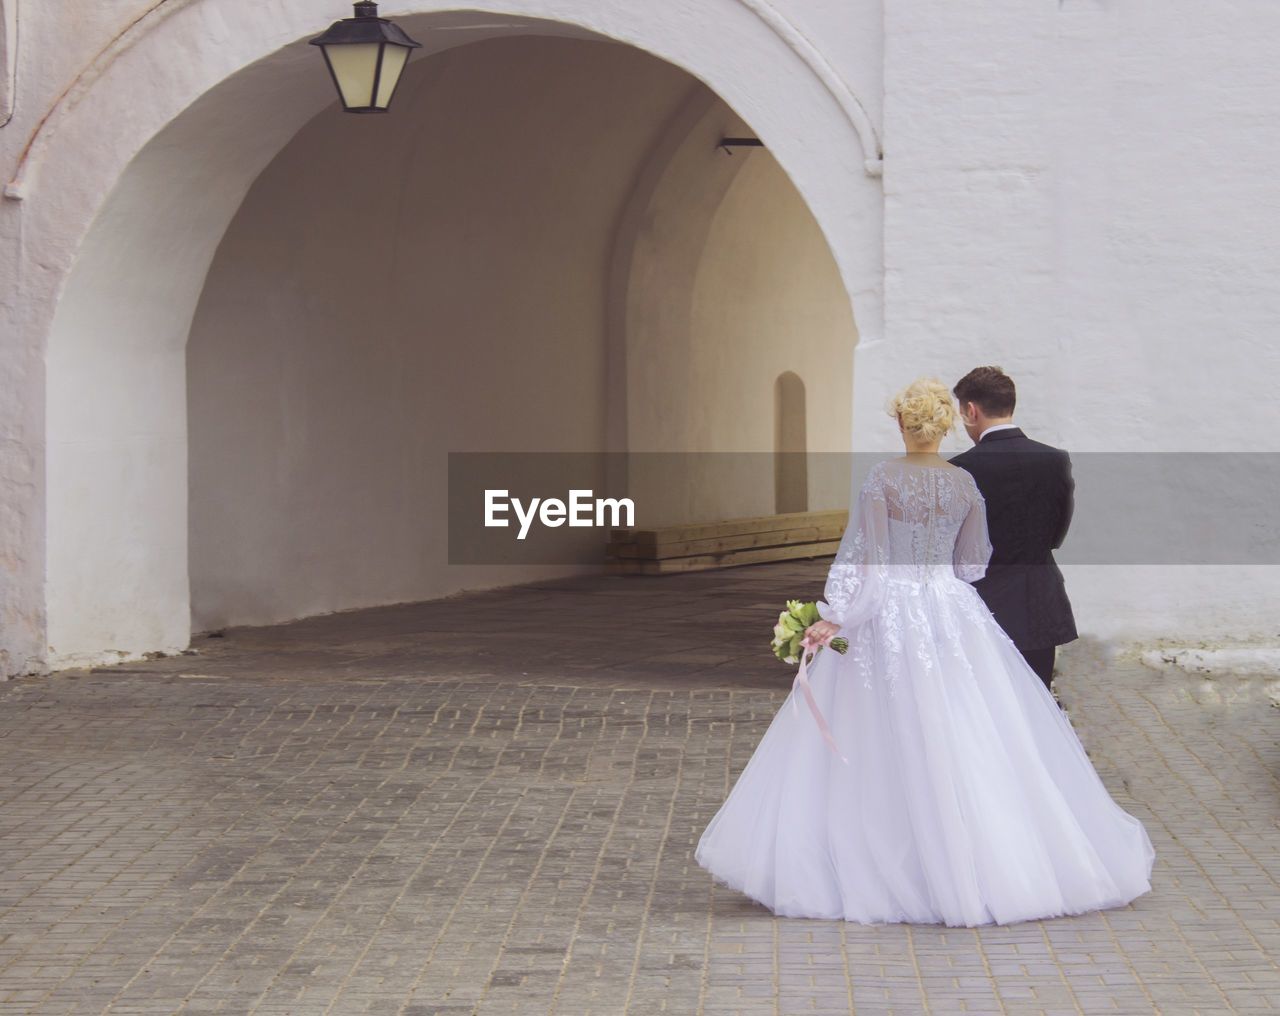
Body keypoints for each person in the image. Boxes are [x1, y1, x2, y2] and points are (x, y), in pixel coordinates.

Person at [694, 378, 1153, 927]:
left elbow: (866, 561)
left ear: (902, 425)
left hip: (891, 608)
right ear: (945, 424)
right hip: (951, 608)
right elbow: (973, 563)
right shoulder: (964, 484)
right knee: (965, 723)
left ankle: (878, 860)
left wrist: (832, 616)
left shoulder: (883, 479)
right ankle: (989, 865)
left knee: (881, 727)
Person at [949, 367, 1076, 692]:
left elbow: (956, 542)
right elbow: (1058, 532)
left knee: (991, 709)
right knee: (1039, 704)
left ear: (971, 410)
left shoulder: (963, 467)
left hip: (985, 603)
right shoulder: (1054, 459)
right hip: (1041, 600)